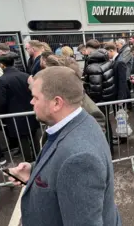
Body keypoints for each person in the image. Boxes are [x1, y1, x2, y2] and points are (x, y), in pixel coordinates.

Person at [8, 67, 121, 226]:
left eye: (35, 97)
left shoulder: (79, 159)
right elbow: (60, 163)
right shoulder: (79, 121)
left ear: (56, 103)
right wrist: (35, 171)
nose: (31, 102)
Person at [0, 56, 40, 162]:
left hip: (14, 113)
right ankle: (39, 157)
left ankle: (28, 161)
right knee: (34, 134)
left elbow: (1, 101)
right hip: (30, 109)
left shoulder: (2, 80)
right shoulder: (25, 75)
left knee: (22, 138)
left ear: (2, 65)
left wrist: (1, 116)